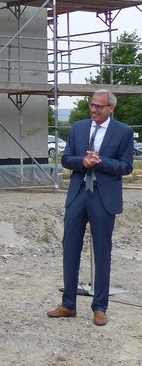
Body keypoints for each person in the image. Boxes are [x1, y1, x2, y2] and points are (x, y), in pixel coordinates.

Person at [48, 89, 134, 326]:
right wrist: (83, 161)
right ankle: (68, 304)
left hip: (103, 196)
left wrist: (101, 161)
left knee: (102, 252)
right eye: (92, 105)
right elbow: (66, 159)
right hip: (77, 194)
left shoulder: (124, 132)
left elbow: (127, 166)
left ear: (111, 108)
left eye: (99, 106)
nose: (94, 110)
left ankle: (100, 307)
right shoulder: (78, 127)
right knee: (70, 248)